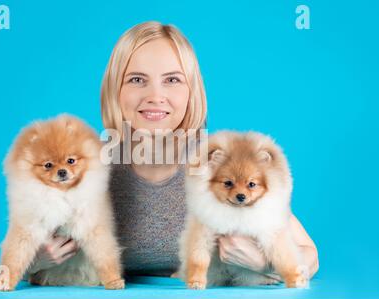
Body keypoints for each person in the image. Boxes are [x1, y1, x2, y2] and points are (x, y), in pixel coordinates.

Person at [25, 21, 319, 283]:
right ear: (116, 90)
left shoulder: (219, 167)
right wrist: (35, 259)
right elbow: (22, 251)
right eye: (137, 79)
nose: (155, 96)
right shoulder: (84, 167)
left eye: (172, 80)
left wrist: (267, 262)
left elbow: (308, 254)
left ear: (191, 91)